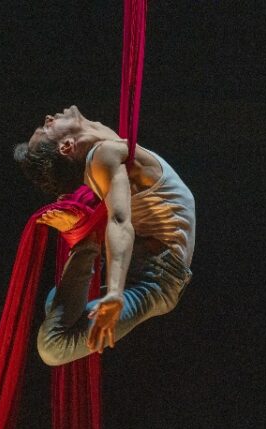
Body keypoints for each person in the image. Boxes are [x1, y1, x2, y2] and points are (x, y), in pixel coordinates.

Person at [14, 105, 195, 366]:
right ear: (66, 146)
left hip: (149, 263)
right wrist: (114, 293)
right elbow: (120, 220)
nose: (47, 118)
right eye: (46, 129)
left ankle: (85, 244)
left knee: (56, 304)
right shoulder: (102, 154)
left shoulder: (103, 140)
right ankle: (86, 245)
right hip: (157, 280)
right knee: (52, 346)